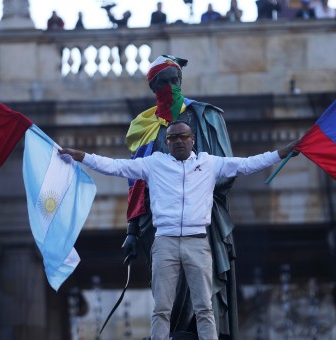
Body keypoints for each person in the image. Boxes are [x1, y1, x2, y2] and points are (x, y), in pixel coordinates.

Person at [63, 55, 298, 340]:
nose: (171, 87)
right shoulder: (147, 134)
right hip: (162, 237)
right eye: (164, 83)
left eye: (176, 81)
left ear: (192, 139)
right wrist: (132, 228)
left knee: (203, 305)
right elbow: (122, 172)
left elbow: (245, 164)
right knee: (162, 306)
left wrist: (282, 152)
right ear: (153, 88)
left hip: (201, 234)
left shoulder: (205, 129)